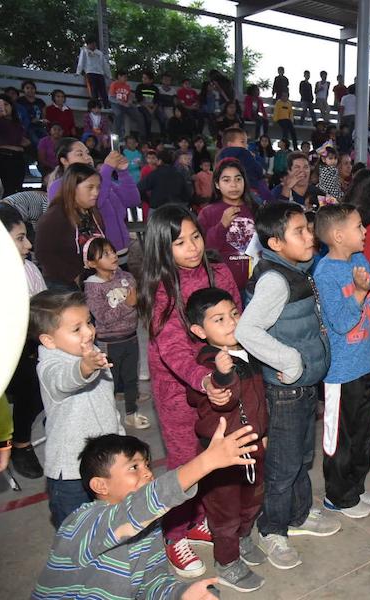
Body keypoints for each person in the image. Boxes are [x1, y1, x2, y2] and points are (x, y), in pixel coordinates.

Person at [32, 421, 257, 599]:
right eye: (134, 467)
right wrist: (204, 463)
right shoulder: (82, 523)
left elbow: (152, 584)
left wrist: (180, 594)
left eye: (147, 465)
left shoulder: (149, 527)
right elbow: (134, 511)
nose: (148, 473)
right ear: (101, 485)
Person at [137, 204, 242, 577]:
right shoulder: (161, 288)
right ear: (161, 249)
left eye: (195, 236)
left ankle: (199, 519)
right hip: (178, 389)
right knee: (186, 462)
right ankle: (174, 533)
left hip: (220, 378)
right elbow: (173, 350)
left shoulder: (218, 271)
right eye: (179, 242)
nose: (192, 247)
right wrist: (204, 380)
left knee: (214, 455)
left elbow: (235, 316)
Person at [235, 202, 340, 570]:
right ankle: (272, 529)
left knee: (301, 458)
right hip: (286, 389)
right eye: (300, 231)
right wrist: (290, 361)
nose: (310, 235)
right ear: (276, 243)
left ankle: (298, 515)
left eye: (308, 227)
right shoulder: (275, 280)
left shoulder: (294, 268)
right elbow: (246, 331)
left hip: (304, 383)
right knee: (283, 464)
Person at [185, 287, 268, 592]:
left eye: (234, 313)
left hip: (252, 445)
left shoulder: (248, 351)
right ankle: (227, 562)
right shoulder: (207, 365)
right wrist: (221, 375)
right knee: (225, 512)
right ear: (199, 330)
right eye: (218, 319)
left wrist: (264, 433)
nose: (231, 322)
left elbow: (260, 400)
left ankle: (244, 540)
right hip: (221, 454)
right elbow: (223, 401)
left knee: (252, 501)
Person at [313, 204, 370, 518]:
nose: (365, 232)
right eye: (359, 227)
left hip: (365, 361)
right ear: (338, 235)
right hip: (341, 372)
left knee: (361, 435)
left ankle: (354, 489)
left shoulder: (360, 260)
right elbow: (341, 322)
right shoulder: (325, 273)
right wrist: (359, 292)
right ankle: (338, 496)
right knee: (340, 439)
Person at [30, 290, 124, 527]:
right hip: (71, 473)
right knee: (75, 534)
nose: (89, 331)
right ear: (48, 340)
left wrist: (120, 441)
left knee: (109, 525)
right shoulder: (50, 366)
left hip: (106, 462)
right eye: (77, 329)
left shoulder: (93, 355)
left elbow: (107, 405)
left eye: (89, 322)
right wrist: (85, 368)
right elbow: (65, 380)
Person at [0, 206, 47, 478]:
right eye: (19, 238)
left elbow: (41, 308)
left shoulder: (28, 269)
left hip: (25, 344)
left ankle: (20, 443)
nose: (28, 245)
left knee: (35, 390)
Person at [83, 237, 149, 430]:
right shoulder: (93, 287)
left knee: (130, 377)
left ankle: (131, 413)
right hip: (109, 342)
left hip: (131, 336)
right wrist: (128, 305)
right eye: (105, 254)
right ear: (92, 263)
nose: (113, 256)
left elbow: (138, 299)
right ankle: (108, 417)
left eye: (112, 251)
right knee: (108, 382)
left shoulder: (125, 277)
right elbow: (103, 317)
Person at [36, 163, 104, 290]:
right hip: (63, 284)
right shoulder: (54, 216)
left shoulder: (92, 213)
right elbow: (42, 253)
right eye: (90, 187)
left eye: (98, 187)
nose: (96, 192)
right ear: (72, 188)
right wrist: (72, 276)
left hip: (90, 279)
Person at [198, 159, 256, 291]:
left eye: (238, 179)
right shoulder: (207, 212)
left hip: (254, 284)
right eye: (226, 180)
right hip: (222, 285)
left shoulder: (255, 209)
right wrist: (222, 225)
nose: (234, 185)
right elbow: (203, 249)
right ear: (217, 184)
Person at [217, 127, 271, 202]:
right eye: (243, 142)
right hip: (249, 190)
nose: (246, 145)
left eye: (246, 142)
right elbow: (258, 170)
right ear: (230, 144)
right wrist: (253, 158)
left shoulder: (219, 157)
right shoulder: (244, 152)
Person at [0, 92, 29, 195]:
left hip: (18, 158)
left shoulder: (17, 123)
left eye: (6, 105)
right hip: (3, 158)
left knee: (16, 190)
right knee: (7, 190)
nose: (3, 108)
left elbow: (21, 140)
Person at [75, 38, 112, 109]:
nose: (93, 45)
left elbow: (105, 65)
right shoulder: (84, 51)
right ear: (88, 44)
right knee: (93, 91)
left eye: (94, 44)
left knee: (103, 91)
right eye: (92, 44)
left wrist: (109, 76)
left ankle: (106, 105)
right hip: (90, 73)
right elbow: (81, 62)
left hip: (100, 74)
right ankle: (95, 106)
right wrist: (78, 72)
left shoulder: (99, 53)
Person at [109, 71, 143, 139]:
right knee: (119, 113)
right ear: (119, 76)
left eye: (126, 77)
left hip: (126, 104)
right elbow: (111, 97)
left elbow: (129, 96)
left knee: (138, 114)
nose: (126, 78)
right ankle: (117, 135)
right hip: (116, 104)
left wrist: (129, 102)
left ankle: (142, 136)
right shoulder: (114, 84)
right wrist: (123, 103)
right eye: (124, 77)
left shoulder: (127, 86)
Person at [17, 80, 48, 147]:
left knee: (47, 140)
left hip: (39, 125)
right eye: (27, 88)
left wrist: (43, 121)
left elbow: (43, 115)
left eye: (32, 88)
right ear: (23, 90)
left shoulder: (40, 101)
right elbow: (18, 115)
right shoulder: (20, 101)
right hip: (27, 126)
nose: (30, 90)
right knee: (36, 141)